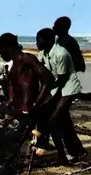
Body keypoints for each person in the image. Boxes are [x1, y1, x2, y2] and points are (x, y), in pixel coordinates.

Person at [36, 28, 87, 165]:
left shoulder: (61, 54)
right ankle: (77, 150)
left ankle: (62, 156)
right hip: (58, 88)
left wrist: (48, 96)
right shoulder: (43, 53)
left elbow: (62, 80)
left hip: (69, 88)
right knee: (64, 121)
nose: (37, 43)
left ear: (49, 40)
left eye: (39, 40)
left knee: (53, 121)